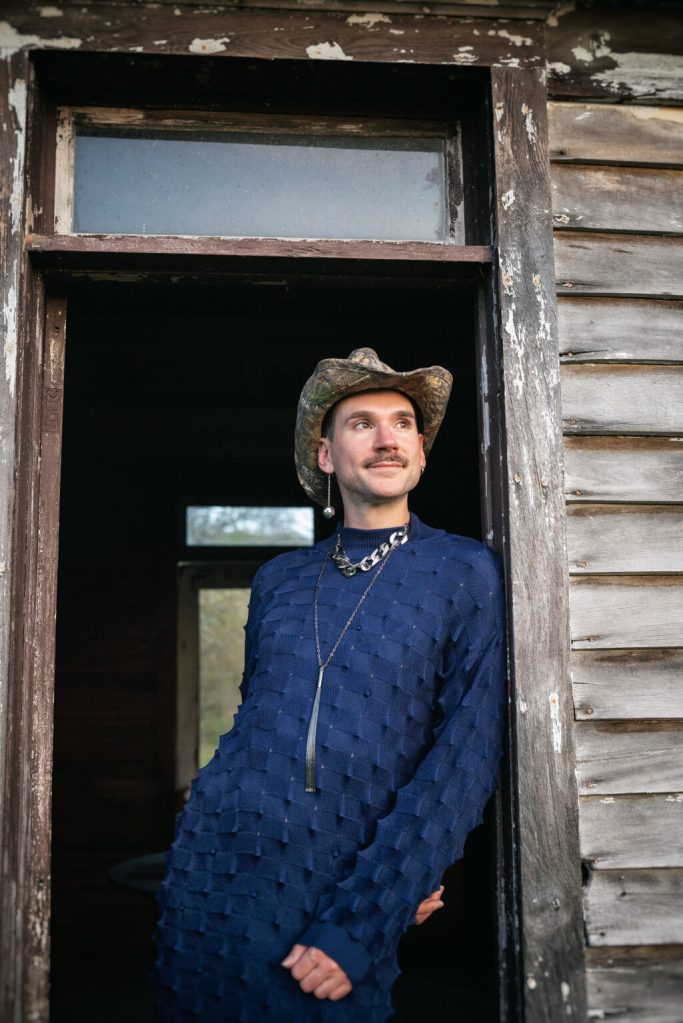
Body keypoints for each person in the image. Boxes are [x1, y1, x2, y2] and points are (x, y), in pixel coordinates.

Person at [154, 348, 507, 1022]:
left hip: (340, 873)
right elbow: (260, 717)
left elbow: (463, 756)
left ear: (422, 453)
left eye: (403, 423)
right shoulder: (279, 580)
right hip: (215, 865)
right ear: (324, 455)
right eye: (361, 423)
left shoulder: (462, 571)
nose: (386, 438)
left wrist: (383, 898)